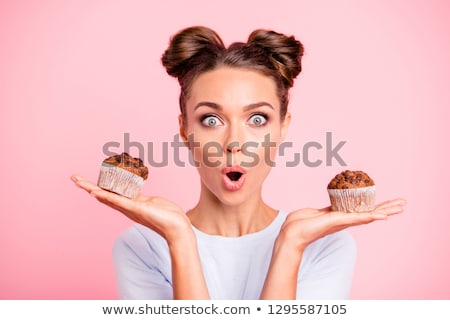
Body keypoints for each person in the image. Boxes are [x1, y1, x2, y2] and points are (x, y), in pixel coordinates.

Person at [71, 26, 405, 300]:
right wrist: (179, 239)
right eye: (211, 120)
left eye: (257, 119)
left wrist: (290, 246)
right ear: (185, 129)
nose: (234, 143)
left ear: (283, 127)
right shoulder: (141, 247)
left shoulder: (325, 243)